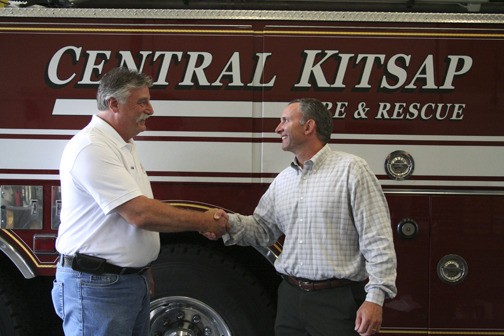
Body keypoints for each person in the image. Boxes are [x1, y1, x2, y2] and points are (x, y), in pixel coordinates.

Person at [51, 67, 229, 336]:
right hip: (98, 288)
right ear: (113, 104)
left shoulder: (123, 145)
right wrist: (203, 221)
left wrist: (141, 267)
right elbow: (139, 213)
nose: (151, 109)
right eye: (142, 102)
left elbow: (133, 218)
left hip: (124, 282)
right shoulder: (92, 148)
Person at [219, 98, 397, 336]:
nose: (278, 128)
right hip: (290, 298)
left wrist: (375, 297)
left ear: (308, 126)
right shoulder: (284, 180)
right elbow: (262, 230)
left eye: (285, 120)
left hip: (335, 302)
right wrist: (226, 223)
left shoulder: (352, 170)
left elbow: (378, 238)